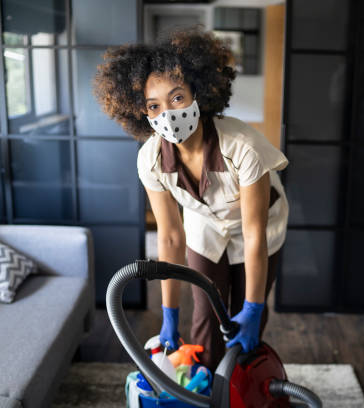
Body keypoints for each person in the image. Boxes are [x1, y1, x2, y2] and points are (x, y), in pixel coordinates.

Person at [93, 29, 289, 372]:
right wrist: (169, 317)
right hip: (206, 225)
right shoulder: (150, 160)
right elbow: (169, 237)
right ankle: (210, 389)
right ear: (142, 113)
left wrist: (255, 308)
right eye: (154, 106)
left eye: (177, 97)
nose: (168, 113)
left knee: (246, 311)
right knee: (207, 312)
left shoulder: (243, 147)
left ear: (197, 92)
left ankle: (242, 378)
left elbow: (254, 232)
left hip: (260, 226)